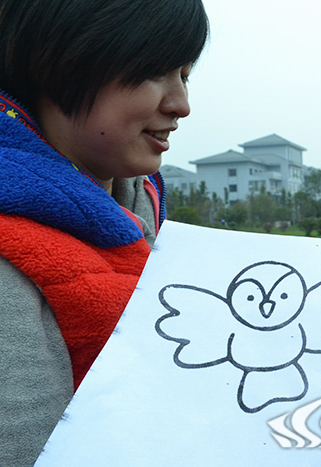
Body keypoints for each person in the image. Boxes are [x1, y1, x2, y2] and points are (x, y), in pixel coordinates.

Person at [0, 1, 209, 465]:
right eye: (154, 70)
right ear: (63, 60)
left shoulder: (144, 205)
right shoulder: (9, 260)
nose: (181, 104)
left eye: (185, 75)